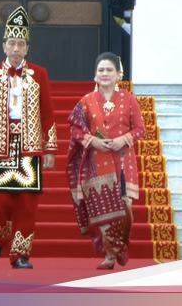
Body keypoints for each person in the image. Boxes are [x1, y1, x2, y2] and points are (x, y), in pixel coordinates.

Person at [0, 5, 58, 269]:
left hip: (30, 148)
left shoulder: (39, 74)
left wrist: (50, 148)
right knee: (0, 203)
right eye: (12, 43)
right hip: (0, 147)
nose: (16, 49)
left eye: (21, 44)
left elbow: (48, 111)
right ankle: (0, 240)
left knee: (27, 206)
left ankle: (20, 255)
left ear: (27, 48)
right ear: (4, 46)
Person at [66, 52, 145, 270]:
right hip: (97, 162)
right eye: (100, 70)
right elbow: (75, 128)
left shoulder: (129, 99)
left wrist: (124, 139)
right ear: (95, 75)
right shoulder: (86, 102)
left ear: (119, 74)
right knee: (104, 212)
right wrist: (92, 141)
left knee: (126, 207)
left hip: (122, 161)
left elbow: (140, 129)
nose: (104, 73)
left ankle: (121, 245)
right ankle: (111, 255)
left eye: (109, 69)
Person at [111, 0, 136, 79]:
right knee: (127, 56)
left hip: (146, 27)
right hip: (128, 26)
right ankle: (126, 84)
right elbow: (115, 10)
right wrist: (124, 25)